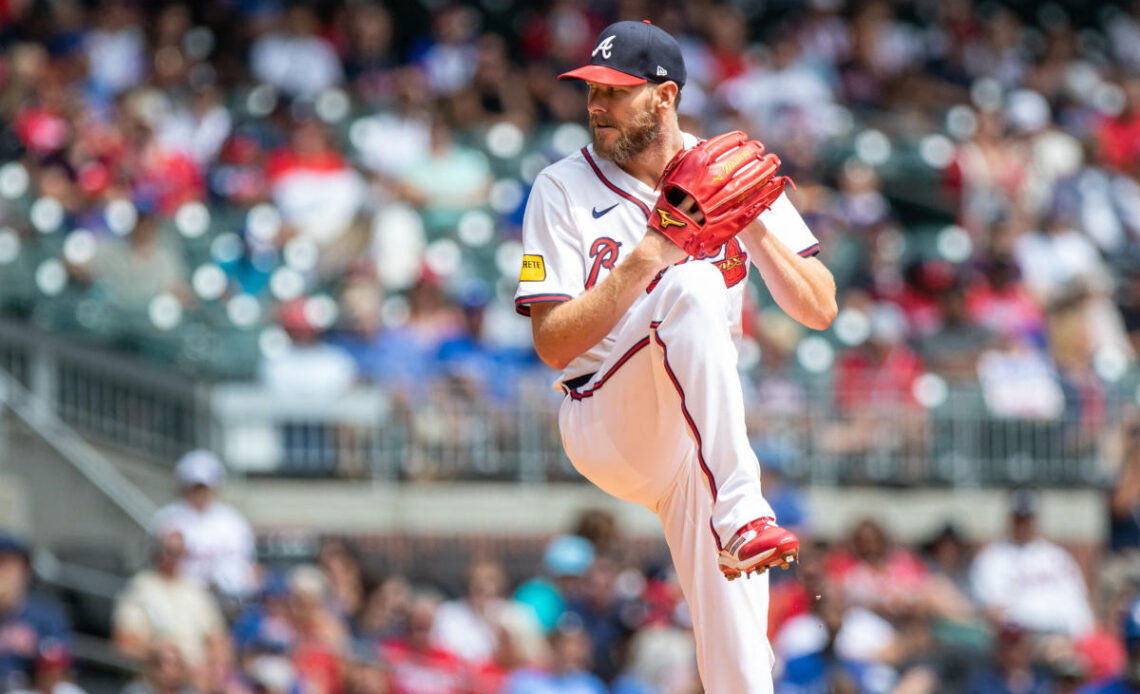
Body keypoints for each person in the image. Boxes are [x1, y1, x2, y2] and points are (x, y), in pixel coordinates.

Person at [514, 20, 837, 693]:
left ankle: (737, 521)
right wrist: (651, 254)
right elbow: (551, 343)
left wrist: (749, 222)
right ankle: (744, 513)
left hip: (699, 449)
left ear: (665, 97)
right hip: (607, 411)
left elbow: (818, 308)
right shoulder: (561, 188)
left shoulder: (726, 169)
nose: (597, 105)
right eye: (591, 91)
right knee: (690, 282)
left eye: (616, 91)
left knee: (745, 667)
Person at [111, 527, 230, 693]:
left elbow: (218, 638)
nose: (176, 557)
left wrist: (217, 667)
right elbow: (125, 642)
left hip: (198, 673)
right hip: (158, 672)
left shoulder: (195, 588)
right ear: (156, 551)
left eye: (180, 551)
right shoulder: (140, 588)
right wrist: (165, 658)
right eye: (171, 550)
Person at [149, 450, 257, 604]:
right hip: (181, 599)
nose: (200, 492)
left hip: (231, 599)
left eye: (204, 487)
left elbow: (249, 564)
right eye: (195, 487)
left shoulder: (233, 521)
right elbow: (158, 564)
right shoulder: (167, 518)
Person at [0, 534, 71, 694]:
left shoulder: (44, 614)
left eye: (7, 565)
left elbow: (59, 669)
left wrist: (34, 649)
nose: (3, 574)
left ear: (24, 570)